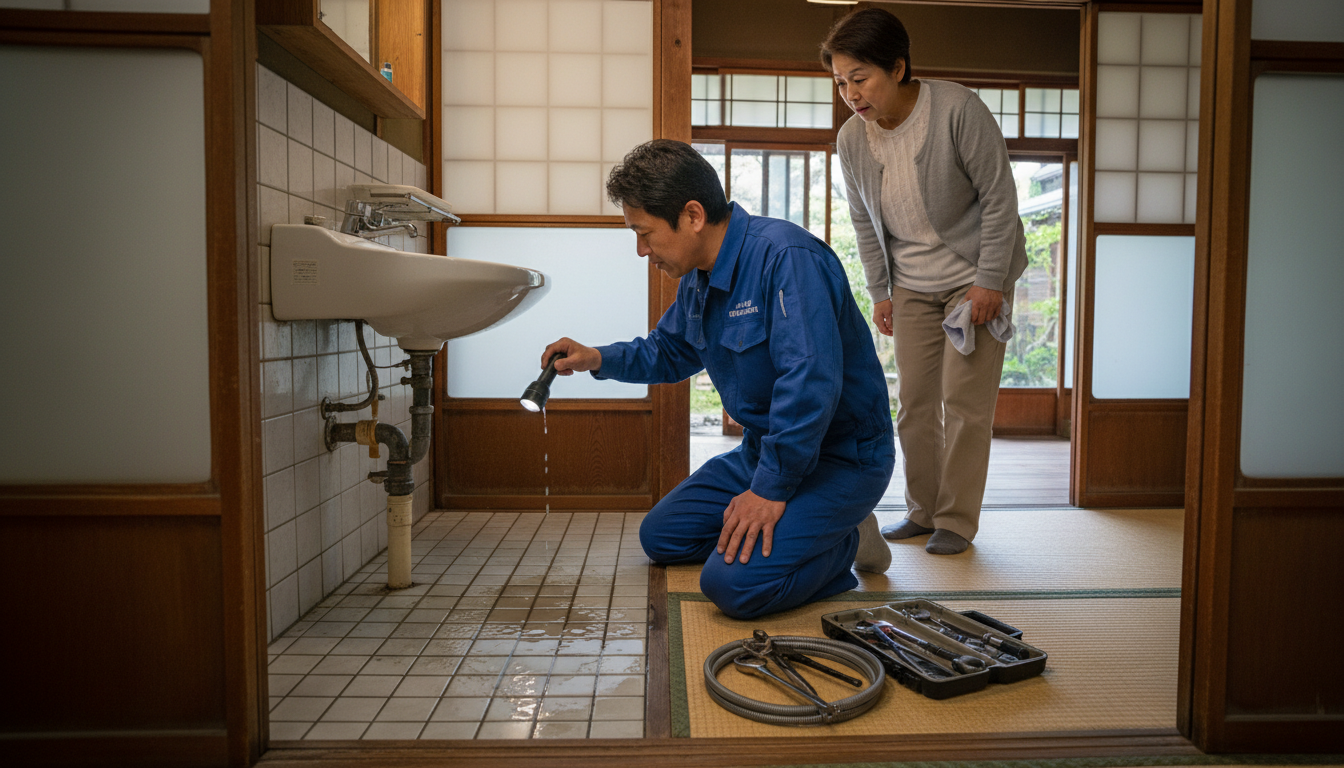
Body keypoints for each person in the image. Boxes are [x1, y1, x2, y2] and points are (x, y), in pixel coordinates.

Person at [540, 139, 895, 620]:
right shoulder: (699, 278)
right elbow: (668, 351)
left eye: (645, 234)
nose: (641, 250)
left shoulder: (786, 257)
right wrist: (596, 357)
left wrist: (770, 492)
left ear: (691, 215)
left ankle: (845, 539)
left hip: (842, 457)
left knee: (730, 586)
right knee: (662, 536)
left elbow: (809, 380)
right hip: (764, 449)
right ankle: (812, 524)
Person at [822, 8, 1028, 555]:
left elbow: (1000, 198)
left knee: (964, 403)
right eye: (840, 81)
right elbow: (864, 220)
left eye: (860, 79)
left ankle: (957, 521)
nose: (850, 93)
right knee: (913, 403)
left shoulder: (957, 108)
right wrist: (880, 292)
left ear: (898, 66)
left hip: (973, 280)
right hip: (910, 284)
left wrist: (990, 281)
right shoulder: (851, 139)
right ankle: (923, 510)